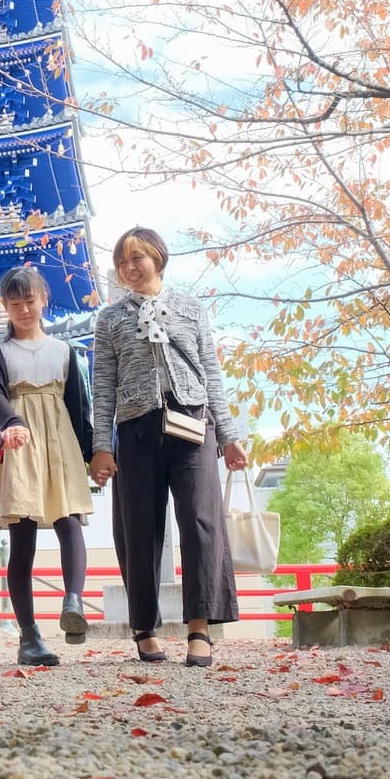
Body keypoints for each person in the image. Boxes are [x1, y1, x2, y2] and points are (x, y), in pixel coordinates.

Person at [89, 227, 249, 668]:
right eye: (122, 261)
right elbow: (103, 385)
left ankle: (201, 626)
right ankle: (145, 627)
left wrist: (230, 435)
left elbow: (211, 374)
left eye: (137, 258)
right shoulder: (110, 319)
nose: (129, 268)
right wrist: (102, 445)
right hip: (136, 429)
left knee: (201, 521)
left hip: (194, 424)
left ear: (158, 257)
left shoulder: (191, 309)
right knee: (139, 529)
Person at [0, 266, 93, 666]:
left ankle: (72, 601)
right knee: (23, 535)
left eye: (30, 300)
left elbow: (79, 406)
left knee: (69, 519)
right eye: (15, 303)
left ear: (44, 299)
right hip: (19, 439)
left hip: (59, 438)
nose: (24, 309)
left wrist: (93, 453)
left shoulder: (65, 351)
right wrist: (10, 421)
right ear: (5, 306)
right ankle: (29, 635)